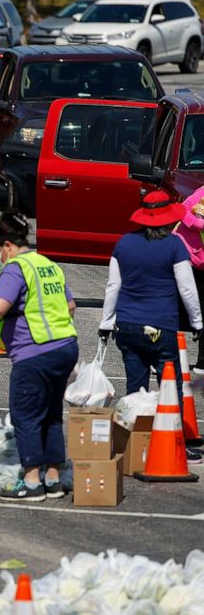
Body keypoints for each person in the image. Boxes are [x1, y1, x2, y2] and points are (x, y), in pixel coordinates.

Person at [0, 213, 79, 501]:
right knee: (51, 414)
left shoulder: (16, 268)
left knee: (26, 415)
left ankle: (31, 483)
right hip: (65, 347)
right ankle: (53, 478)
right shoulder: (47, 264)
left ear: (7, 245)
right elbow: (70, 305)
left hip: (34, 353)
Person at [99, 191, 203, 465]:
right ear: (169, 219)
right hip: (162, 326)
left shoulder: (124, 245)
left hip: (129, 326)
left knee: (136, 386)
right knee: (172, 386)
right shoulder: (174, 246)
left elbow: (113, 286)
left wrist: (105, 323)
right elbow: (187, 289)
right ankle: (176, 443)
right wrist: (198, 322)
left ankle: (136, 445)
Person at [175, 184, 204, 372]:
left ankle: (202, 362)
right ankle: (165, 358)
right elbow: (183, 209)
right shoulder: (202, 192)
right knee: (175, 306)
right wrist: (198, 223)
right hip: (190, 257)